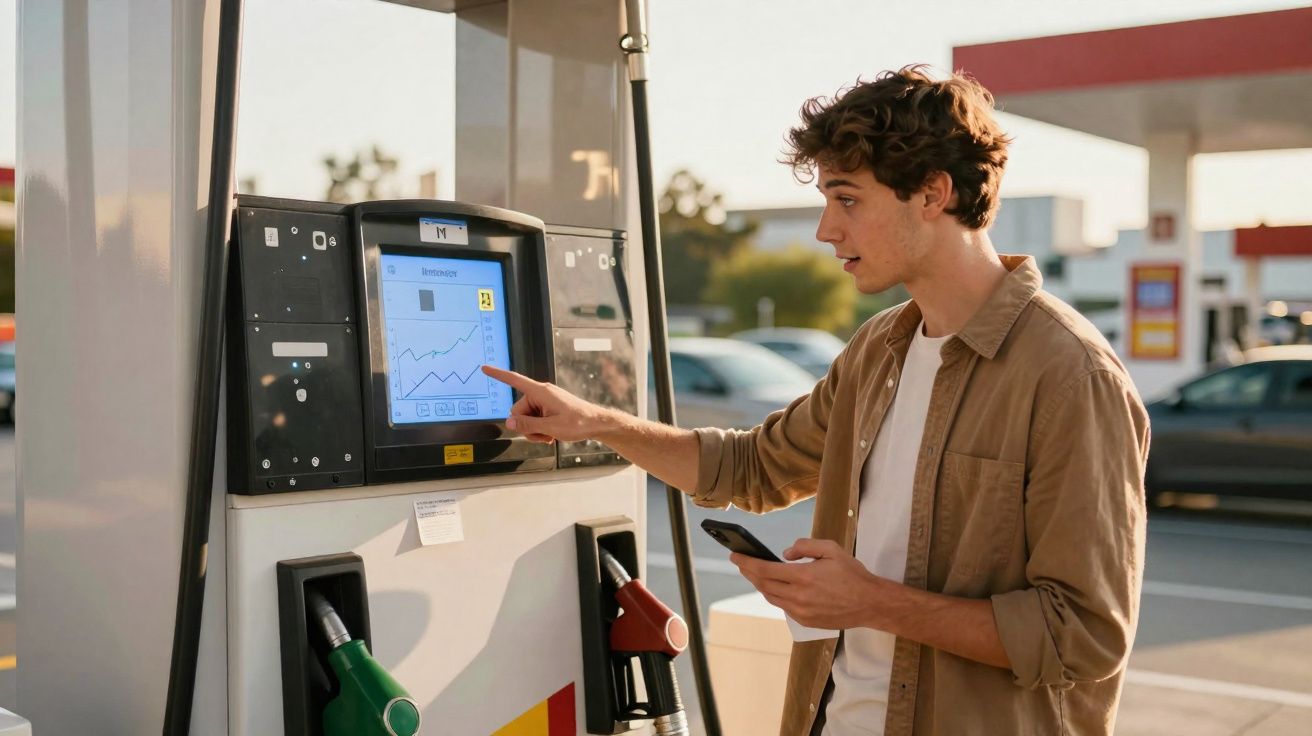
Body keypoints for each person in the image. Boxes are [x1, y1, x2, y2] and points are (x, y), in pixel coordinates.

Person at [483, 65, 1150, 736]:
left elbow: (1083, 637)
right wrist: (591, 421)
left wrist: (871, 602)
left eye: (848, 199)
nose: (826, 230)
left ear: (932, 193)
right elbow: (751, 468)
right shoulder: (877, 350)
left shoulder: (1071, 376)